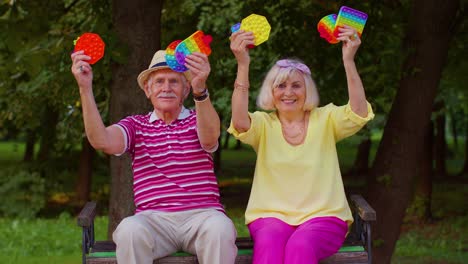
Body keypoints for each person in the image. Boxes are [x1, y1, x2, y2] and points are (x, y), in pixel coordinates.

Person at [71, 49, 237, 264]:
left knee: (220, 229)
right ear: (148, 90)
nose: (166, 88)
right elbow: (101, 141)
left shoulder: (199, 117)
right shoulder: (135, 125)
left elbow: (210, 138)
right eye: (159, 82)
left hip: (202, 216)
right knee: (129, 230)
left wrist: (201, 90)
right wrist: (85, 88)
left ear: (186, 89)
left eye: (174, 82)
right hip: (154, 221)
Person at [228, 25, 374, 264]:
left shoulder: (325, 118)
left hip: (324, 217)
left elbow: (358, 112)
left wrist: (349, 60)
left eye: (296, 85)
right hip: (270, 216)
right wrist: (243, 65)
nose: (288, 92)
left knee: (301, 245)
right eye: (281, 86)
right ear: (271, 92)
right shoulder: (264, 124)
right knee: (269, 244)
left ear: (307, 91)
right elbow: (240, 121)